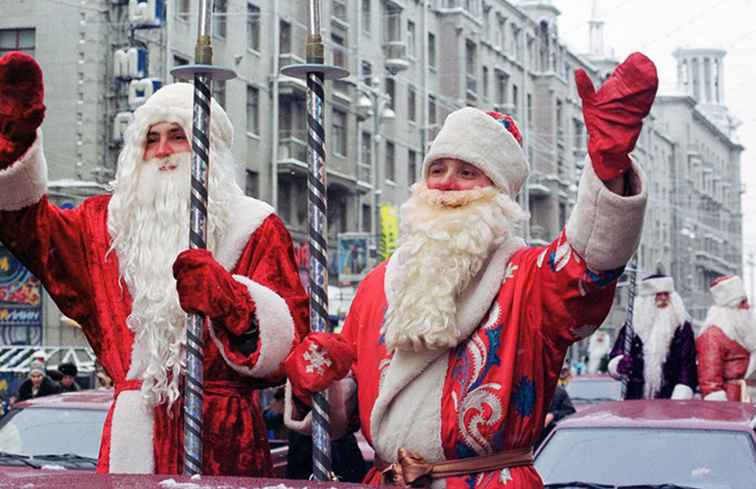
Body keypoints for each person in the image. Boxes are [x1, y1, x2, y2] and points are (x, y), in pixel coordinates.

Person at [285, 52, 656, 488]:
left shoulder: (530, 277)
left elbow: (590, 263)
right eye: (437, 169)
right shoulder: (377, 285)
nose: (445, 183)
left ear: (499, 193)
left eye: (467, 172)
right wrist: (318, 386)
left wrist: (606, 171)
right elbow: (348, 409)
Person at [0, 52, 308, 475]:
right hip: (134, 435)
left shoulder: (254, 225)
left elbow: (290, 345)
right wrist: (12, 147)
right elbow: (30, 231)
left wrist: (232, 301)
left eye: (178, 136)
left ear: (208, 149)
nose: (162, 150)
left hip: (224, 437)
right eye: (151, 138)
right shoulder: (103, 228)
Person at [607, 274, 697, 399]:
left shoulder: (681, 327)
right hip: (636, 395)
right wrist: (619, 364)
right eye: (659, 294)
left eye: (667, 294)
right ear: (648, 298)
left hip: (670, 396)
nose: (664, 298)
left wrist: (682, 389)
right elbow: (618, 352)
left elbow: (687, 363)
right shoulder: (633, 325)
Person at [697, 275, 756, 401]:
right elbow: (710, 383)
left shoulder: (745, 332)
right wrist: (722, 411)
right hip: (731, 402)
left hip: (749, 398)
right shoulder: (712, 335)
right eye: (742, 302)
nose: (747, 306)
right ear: (730, 306)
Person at [536, 365, 575, 447]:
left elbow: (571, 412)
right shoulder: (527, 392)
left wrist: (553, 415)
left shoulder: (559, 392)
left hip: (552, 438)